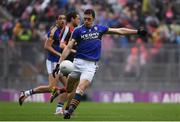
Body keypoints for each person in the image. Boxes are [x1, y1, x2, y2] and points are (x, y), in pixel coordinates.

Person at [53, 9, 147, 119]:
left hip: (90, 66)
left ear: (93, 19)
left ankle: (69, 111)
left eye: (89, 19)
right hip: (77, 63)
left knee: (81, 88)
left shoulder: (99, 29)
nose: (86, 21)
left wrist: (136, 32)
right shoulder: (78, 31)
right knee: (69, 88)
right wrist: (59, 63)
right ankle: (60, 92)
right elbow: (68, 47)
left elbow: (119, 31)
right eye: (85, 18)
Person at [18, 14, 66, 106]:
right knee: (51, 87)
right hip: (53, 61)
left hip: (61, 62)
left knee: (69, 87)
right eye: (60, 19)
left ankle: (60, 109)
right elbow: (46, 46)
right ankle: (26, 93)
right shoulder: (54, 31)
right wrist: (59, 54)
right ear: (57, 21)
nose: (62, 20)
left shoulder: (64, 30)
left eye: (64, 19)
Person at [51, 11, 80, 115]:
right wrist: (74, 51)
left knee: (74, 88)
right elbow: (62, 45)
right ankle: (62, 109)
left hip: (74, 60)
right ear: (72, 19)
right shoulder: (67, 29)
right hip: (68, 62)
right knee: (72, 87)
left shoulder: (75, 30)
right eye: (78, 18)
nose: (79, 20)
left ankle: (65, 108)